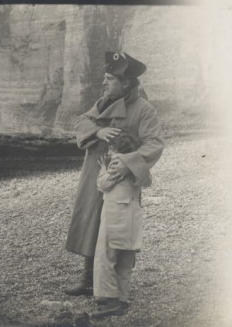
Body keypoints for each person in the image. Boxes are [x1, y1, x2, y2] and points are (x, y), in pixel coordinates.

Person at [64, 51, 164, 297]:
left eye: (110, 78)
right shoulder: (103, 102)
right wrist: (97, 131)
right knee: (92, 223)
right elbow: (80, 121)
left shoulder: (144, 109)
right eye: (105, 77)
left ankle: (117, 291)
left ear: (126, 82)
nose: (104, 82)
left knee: (119, 229)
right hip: (94, 173)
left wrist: (127, 163)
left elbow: (154, 143)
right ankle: (89, 281)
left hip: (122, 178)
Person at [91, 130, 145, 318]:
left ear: (115, 148)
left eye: (111, 148)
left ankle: (111, 300)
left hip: (116, 214)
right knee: (125, 259)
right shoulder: (138, 162)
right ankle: (122, 298)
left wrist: (103, 169)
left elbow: (103, 184)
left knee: (106, 255)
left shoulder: (117, 161)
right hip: (133, 214)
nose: (109, 152)